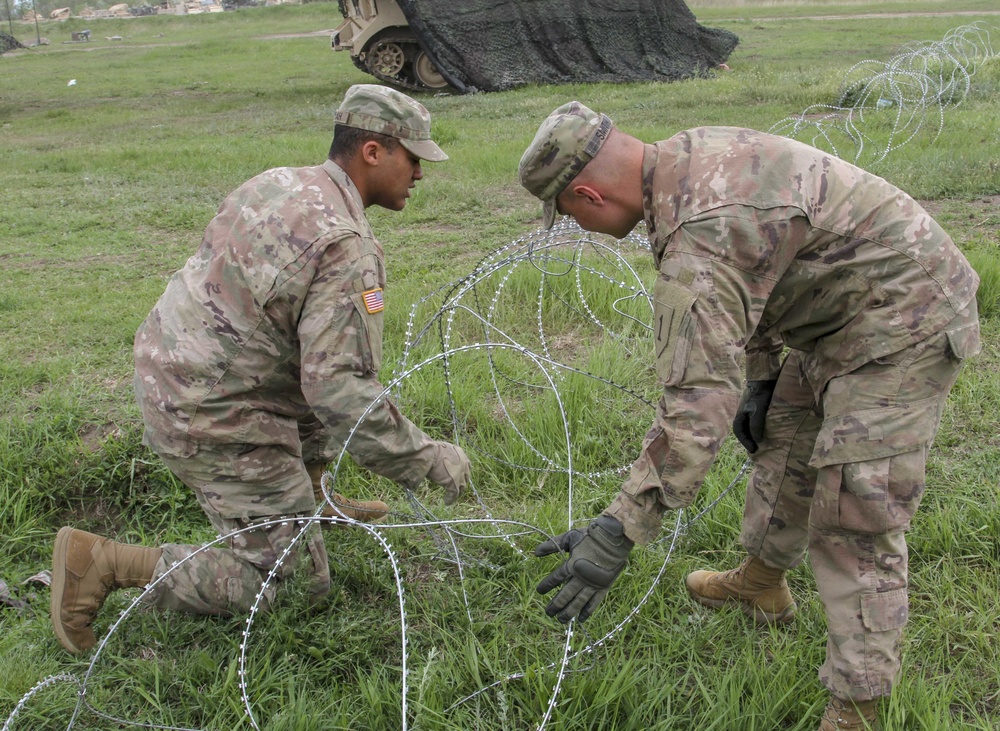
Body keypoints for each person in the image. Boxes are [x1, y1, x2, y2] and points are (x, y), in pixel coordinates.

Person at [519, 102, 980, 730]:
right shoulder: (683, 155)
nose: (578, 224)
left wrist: (618, 531)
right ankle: (762, 582)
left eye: (568, 214)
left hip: (907, 323)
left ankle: (859, 704)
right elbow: (763, 269)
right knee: (784, 442)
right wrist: (763, 376)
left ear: (587, 194)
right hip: (839, 315)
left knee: (855, 509)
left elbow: (695, 407)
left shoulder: (697, 238)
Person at [50, 84, 471, 656]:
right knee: (293, 585)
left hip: (177, 372)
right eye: (414, 157)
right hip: (215, 412)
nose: (421, 172)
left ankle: (311, 498)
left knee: (303, 369)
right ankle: (101, 564)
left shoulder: (278, 182)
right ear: (374, 151)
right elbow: (340, 391)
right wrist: (429, 459)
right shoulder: (347, 246)